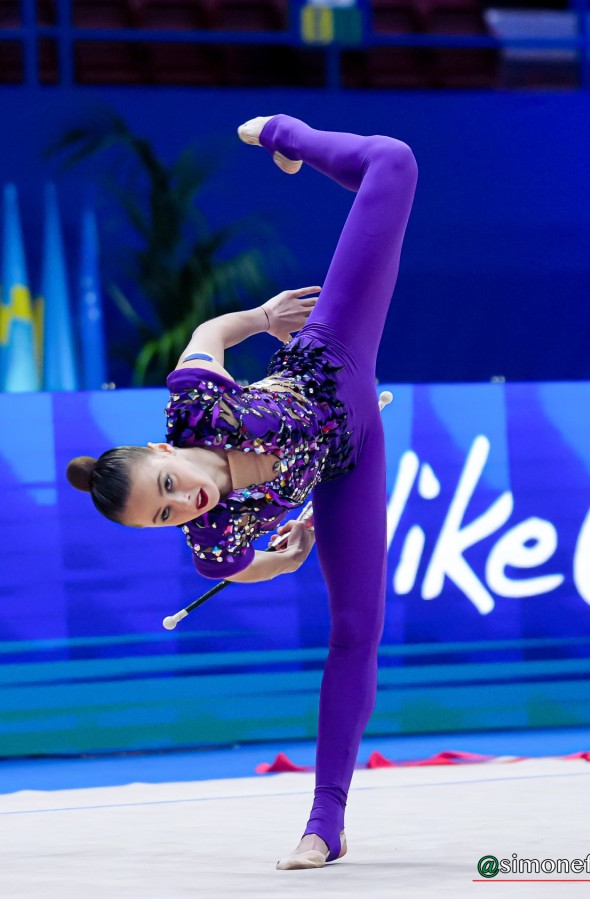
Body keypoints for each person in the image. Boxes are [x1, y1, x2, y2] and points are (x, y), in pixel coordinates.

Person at [65, 114, 418, 870]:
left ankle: (289, 136)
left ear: (164, 450)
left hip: (331, 357)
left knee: (393, 161)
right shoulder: (213, 535)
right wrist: (285, 559)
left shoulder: (193, 403)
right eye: (164, 515)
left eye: (169, 484)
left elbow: (208, 334)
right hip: (350, 464)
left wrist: (261, 318)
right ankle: (326, 822)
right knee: (356, 628)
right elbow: (234, 566)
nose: (183, 503)